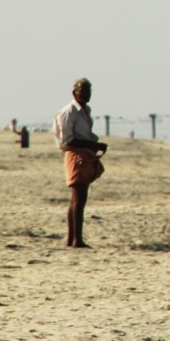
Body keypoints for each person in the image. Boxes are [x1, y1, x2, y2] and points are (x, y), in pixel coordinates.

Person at [53, 78, 107, 248]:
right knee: (79, 199)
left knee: (76, 199)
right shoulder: (69, 111)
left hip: (84, 154)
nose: (86, 93)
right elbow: (67, 140)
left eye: (88, 90)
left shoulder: (85, 111)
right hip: (76, 155)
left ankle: (72, 239)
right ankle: (77, 240)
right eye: (82, 90)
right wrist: (93, 145)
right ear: (74, 93)